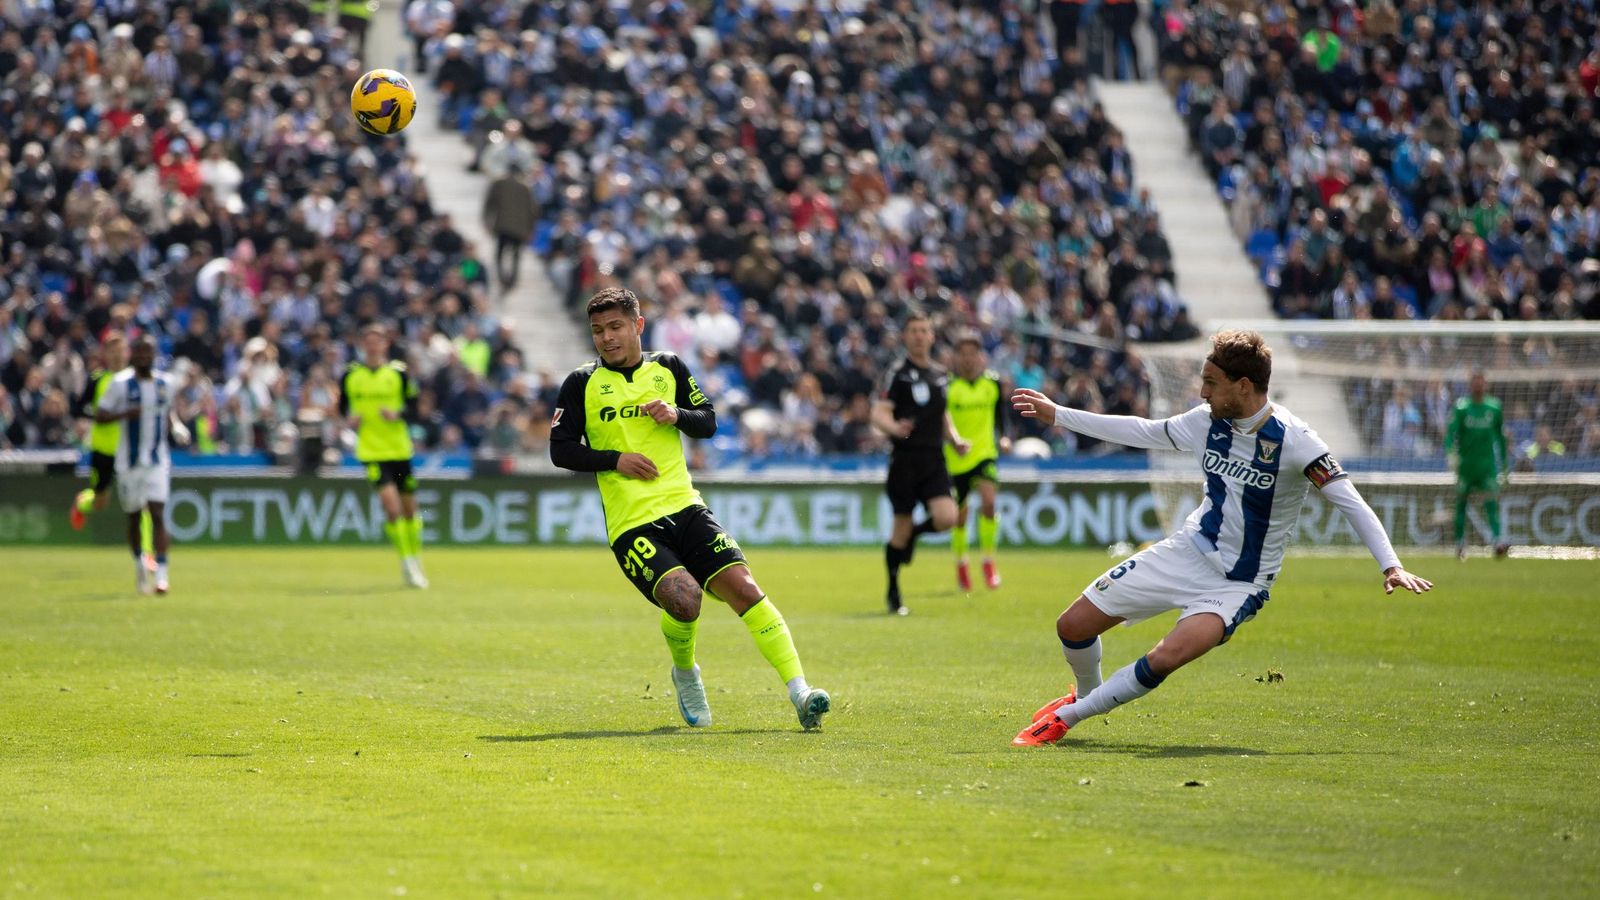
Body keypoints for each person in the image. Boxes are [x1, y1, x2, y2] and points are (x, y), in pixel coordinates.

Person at [1010, 330, 1432, 746]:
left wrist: (1390, 564)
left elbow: (1351, 502)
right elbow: (1143, 430)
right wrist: (1059, 414)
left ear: (1243, 386)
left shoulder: (1297, 441)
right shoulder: (1204, 423)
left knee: (1165, 657)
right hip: (1187, 550)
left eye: (1211, 383)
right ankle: (1085, 695)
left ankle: (1067, 718)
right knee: (1072, 625)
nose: (1202, 392)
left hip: (1239, 583)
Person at [549, 287, 830, 730]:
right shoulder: (582, 383)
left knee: (745, 588)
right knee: (685, 599)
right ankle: (685, 672)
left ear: (638, 325)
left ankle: (801, 691)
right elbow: (560, 451)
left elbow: (710, 422)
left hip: (685, 505)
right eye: (598, 330)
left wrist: (677, 414)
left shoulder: (669, 368)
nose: (606, 338)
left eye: (616, 327)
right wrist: (614, 459)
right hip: (632, 523)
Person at [873, 312, 969, 615]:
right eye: (913, 330)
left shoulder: (941, 374)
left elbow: (942, 414)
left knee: (947, 518)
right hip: (904, 460)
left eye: (924, 330)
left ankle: (915, 534)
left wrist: (954, 438)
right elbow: (879, 412)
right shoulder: (897, 373)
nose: (918, 335)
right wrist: (894, 429)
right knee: (899, 527)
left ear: (932, 336)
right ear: (905, 336)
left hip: (934, 459)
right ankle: (893, 592)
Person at [94, 336, 189, 595]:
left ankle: (162, 575)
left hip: (158, 460)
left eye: (149, 352)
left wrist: (177, 426)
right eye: (141, 352)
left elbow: (167, 411)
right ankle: (139, 566)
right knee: (135, 516)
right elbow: (100, 416)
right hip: (128, 461)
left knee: (158, 513)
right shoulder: (120, 384)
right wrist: (125, 414)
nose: (145, 357)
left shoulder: (165, 383)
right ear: (133, 355)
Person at [339, 324, 427, 589]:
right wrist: (349, 419)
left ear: (385, 345)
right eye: (368, 341)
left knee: (410, 508)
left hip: (399, 449)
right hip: (371, 450)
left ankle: (415, 555)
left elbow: (415, 410)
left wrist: (398, 415)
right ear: (363, 345)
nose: (373, 346)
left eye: (377, 341)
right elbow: (342, 407)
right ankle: (406, 563)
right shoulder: (351, 376)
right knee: (391, 507)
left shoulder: (398, 374)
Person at [69, 334, 151, 563]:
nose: (116, 356)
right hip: (103, 449)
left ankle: (146, 553)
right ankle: (81, 502)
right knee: (100, 501)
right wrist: (96, 416)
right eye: (111, 352)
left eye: (120, 351)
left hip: (129, 450)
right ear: (105, 355)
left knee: (140, 501)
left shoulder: (136, 379)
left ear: (127, 353)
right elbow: (77, 409)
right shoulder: (97, 380)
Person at [945, 332, 1011, 592]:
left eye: (973, 353)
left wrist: (1004, 437)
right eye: (964, 354)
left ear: (980, 357)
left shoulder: (992, 384)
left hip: (985, 454)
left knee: (989, 501)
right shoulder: (948, 386)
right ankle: (961, 564)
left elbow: (1000, 416)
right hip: (956, 459)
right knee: (959, 517)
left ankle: (988, 561)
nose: (969, 359)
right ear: (956, 357)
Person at [1444, 371, 1509, 560]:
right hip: (1466, 466)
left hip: (1487, 466)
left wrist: (1505, 465)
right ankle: (1460, 544)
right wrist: (1451, 454)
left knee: (1491, 503)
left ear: (1486, 384)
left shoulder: (1494, 407)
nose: (1479, 385)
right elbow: (1450, 434)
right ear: (1470, 384)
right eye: (1475, 382)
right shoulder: (1462, 407)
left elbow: (1501, 438)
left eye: (1481, 382)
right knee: (1461, 504)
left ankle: (1497, 541)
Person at [482, 163, 539, 292]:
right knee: (516, 255)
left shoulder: (499, 183)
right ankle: (512, 280)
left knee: (500, 254)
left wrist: (486, 221)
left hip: (502, 226)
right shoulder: (525, 187)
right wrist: (531, 230)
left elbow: (489, 204)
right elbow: (533, 211)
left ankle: (502, 279)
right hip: (520, 228)